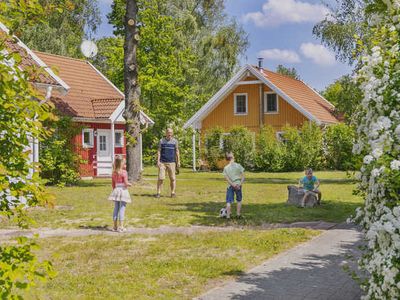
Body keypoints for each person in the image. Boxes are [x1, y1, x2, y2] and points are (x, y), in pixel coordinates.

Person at [108, 155, 132, 232]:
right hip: (123, 191)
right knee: (122, 208)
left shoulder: (114, 173)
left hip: (116, 190)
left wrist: (115, 190)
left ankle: (115, 227)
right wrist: (129, 184)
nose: (125, 165)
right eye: (124, 163)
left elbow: (113, 184)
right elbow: (125, 183)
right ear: (121, 163)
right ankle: (121, 227)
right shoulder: (124, 172)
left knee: (116, 208)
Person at [156, 128, 180, 198]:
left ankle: (173, 193)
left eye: (171, 133)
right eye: (168, 132)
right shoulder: (161, 141)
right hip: (162, 162)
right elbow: (159, 151)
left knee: (172, 178)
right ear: (166, 133)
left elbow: (177, 151)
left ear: (172, 133)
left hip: (172, 162)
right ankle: (158, 193)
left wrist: (178, 161)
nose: (169, 134)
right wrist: (158, 161)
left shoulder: (175, 141)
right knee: (161, 178)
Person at [223, 152, 245, 219]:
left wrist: (232, 184)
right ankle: (238, 215)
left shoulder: (226, 168)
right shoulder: (238, 165)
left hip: (230, 186)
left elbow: (227, 179)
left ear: (227, 159)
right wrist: (239, 184)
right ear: (233, 158)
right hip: (238, 185)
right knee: (239, 200)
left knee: (229, 201)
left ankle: (228, 216)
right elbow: (243, 177)